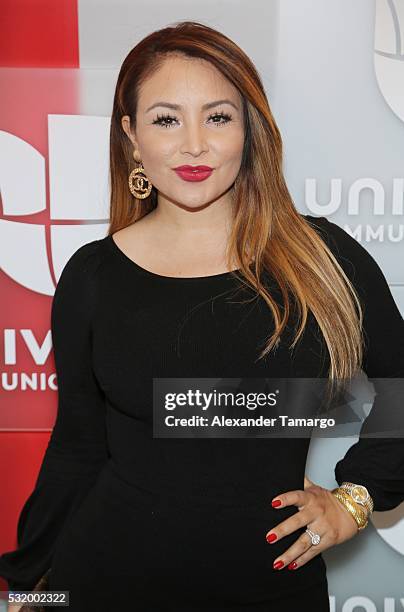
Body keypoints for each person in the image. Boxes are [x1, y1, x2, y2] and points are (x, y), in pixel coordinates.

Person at [1, 20, 404, 612]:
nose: (194, 145)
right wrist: (36, 590)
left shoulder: (322, 258)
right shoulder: (93, 276)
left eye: (217, 117)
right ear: (131, 136)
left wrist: (355, 500)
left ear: (249, 131)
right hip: (105, 580)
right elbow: (78, 449)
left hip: (271, 587)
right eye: (167, 119)